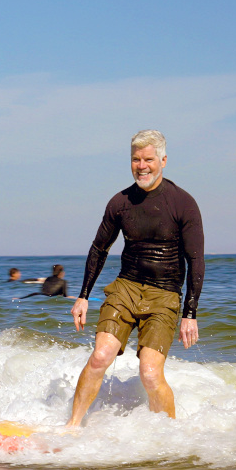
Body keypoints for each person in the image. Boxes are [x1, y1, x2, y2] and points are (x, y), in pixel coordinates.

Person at [67, 129, 204, 427]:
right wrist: (83, 296)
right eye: (136, 159)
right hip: (125, 288)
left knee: (150, 374)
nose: (142, 166)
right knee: (100, 356)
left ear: (163, 160)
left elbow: (196, 261)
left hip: (164, 294)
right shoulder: (120, 202)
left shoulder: (183, 203)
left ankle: (168, 435)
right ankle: (72, 427)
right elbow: (99, 248)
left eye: (149, 159)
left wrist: (189, 314)